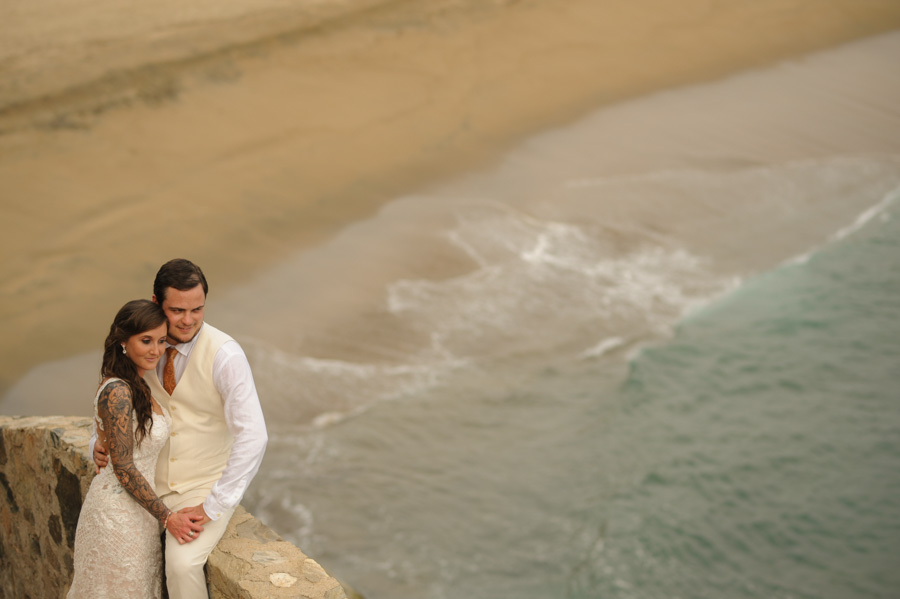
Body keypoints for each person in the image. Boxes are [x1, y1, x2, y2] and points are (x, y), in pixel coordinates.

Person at [91, 259, 268, 599]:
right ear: (157, 303)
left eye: (197, 309)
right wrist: (95, 445)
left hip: (201, 487)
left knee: (182, 565)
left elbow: (254, 436)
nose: (188, 321)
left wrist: (212, 506)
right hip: (144, 484)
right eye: (178, 310)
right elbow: (114, 401)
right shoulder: (143, 347)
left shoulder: (225, 355)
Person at [69, 300, 205, 599]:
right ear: (122, 342)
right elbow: (124, 467)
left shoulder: (141, 385)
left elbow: (109, 437)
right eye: (145, 341)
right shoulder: (118, 390)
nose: (155, 350)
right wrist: (169, 517)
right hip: (114, 517)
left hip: (140, 516)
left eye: (160, 341)